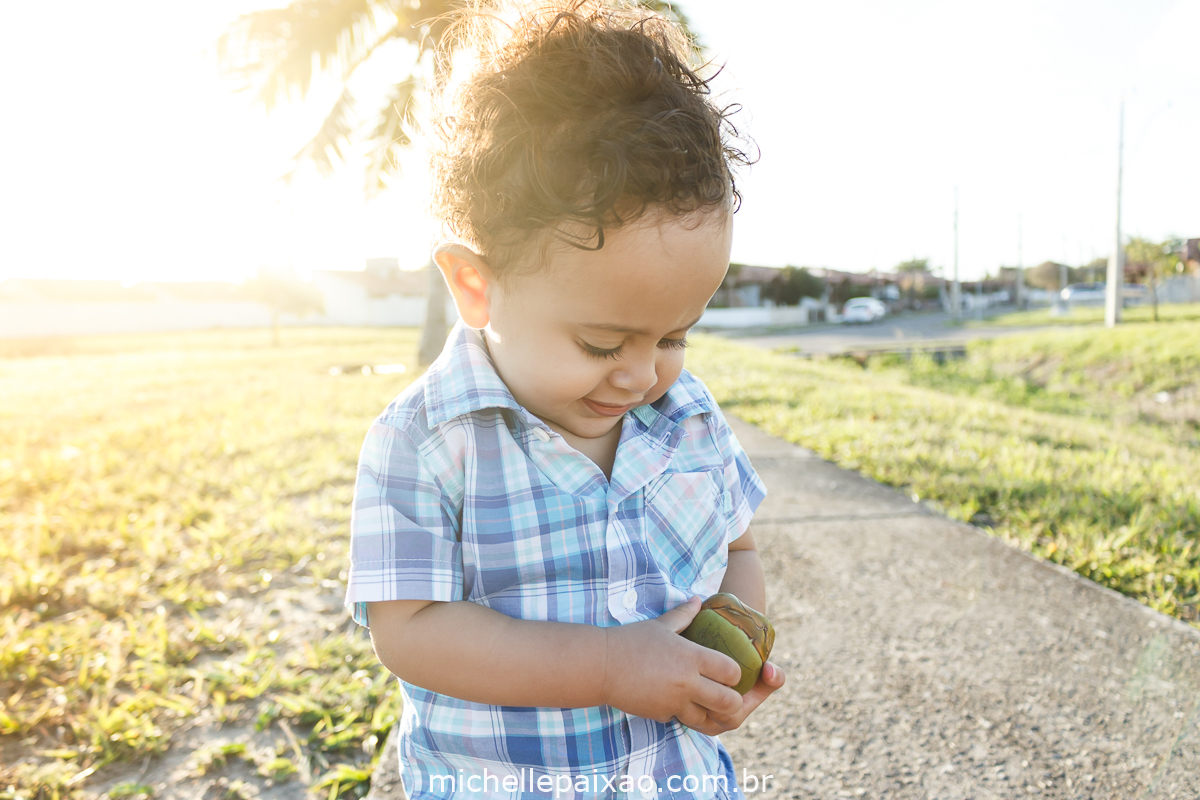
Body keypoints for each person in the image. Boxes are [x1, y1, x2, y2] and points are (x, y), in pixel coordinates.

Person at [344, 1, 784, 797]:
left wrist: (728, 655)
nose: (642, 375)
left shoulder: (689, 420)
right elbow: (409, 632)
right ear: (476, 285)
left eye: (674, 336)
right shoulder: (425, 440)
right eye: (603, 344)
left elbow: (740, 552)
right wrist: (608, 667)